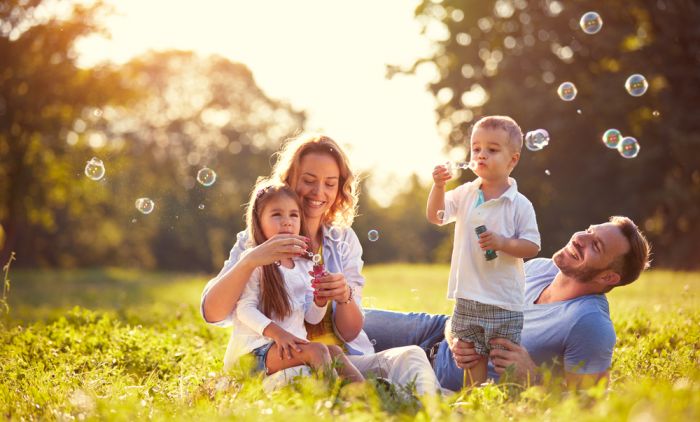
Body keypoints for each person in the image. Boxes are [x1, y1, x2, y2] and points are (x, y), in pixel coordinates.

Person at [201, 133, 441, 394]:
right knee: (306, 378)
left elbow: (348, 333)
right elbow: (213, 313)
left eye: (330, 183)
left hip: (343, 359)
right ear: (290, 180)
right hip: (283, 362)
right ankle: (357, 400)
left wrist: (342, 295)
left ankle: (434, 410)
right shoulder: (257, 241)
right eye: (309, 180)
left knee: (412, 356)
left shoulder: (343, 240)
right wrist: (249, 260)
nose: (319, 192)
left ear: (339, 189)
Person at [363, 216, 651, 391]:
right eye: (589, 231)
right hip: (435, 331)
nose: (579, 238)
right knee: (342, 318)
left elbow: (588, 407)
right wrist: (454, 334)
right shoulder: (540, 268)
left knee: (342, 364)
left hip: (442, 374)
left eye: (596, 245)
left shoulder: (590, 323)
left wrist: (534, 377)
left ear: (609, 276)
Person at [426, 115, 540, 385]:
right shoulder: (466, 193)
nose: (481, 155)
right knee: (471, 355)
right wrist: (439, 186)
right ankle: (475, 399)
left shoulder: (519, 204)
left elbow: (532, 246)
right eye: (476, 148)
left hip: (503, 298)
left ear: (513, 159)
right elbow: (437, 215)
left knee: (504, 357)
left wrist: (503, 243)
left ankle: (512, 399)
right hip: (467, 294)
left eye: (492, 149)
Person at [232, 182, 363, 382]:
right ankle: (333, 399)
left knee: (335, 352)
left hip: (288, 348)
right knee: (318, 351)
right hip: (254, 353)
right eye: (277, 215)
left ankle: (366, 395)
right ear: (259, 221)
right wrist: (279, 334)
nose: (287, 222)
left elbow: (311, 318)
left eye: (293, 215)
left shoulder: (304, 265)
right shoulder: (255, 260)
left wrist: (320, 300)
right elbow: (244, 309)